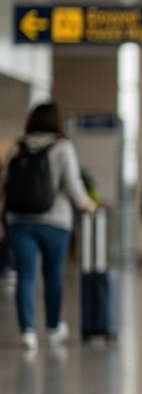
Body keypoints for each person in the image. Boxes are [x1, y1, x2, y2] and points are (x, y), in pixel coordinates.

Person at [1, 102, 97, 349]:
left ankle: (28, 331)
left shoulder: (17, 147)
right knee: (53, 275)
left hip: (19, 221)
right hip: (56, 222)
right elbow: (73, 185)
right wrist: (87, 204)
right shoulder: (63, 148)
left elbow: (5, 184)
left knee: (25, 276)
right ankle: (53, 327)